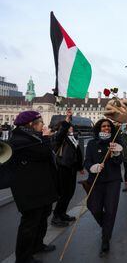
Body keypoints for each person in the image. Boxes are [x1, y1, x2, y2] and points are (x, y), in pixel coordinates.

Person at [8, 109, 72, 263]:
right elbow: (43, 152)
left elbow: (55, 142)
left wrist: (66, 123)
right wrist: (45, 137)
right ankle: (23, 258)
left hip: (42, 188)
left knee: (43, 218)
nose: (44, 125)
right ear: (31, 124)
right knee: (29, 224)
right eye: (41, 122)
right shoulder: (19, 139)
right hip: (29, 191)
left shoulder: (34, 137)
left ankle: (37, 245)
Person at [84, 118, 123, 257]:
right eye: (103, 126)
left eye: (108, 126)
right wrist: (92, 167)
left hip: (113, 180)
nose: (106, 128)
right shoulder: (91, 143)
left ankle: (105, 239)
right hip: (96, 180)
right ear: (99, 128)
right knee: (93, 207)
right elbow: (87, 161)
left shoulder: (116, 143)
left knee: (111, 210)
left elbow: (119, 162)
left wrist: (116, 153)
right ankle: (106, 227)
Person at [51, 123, 83, 227]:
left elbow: (77, 152)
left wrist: (80, 166)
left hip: (72, 167)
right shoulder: (60, 137)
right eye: (69, 126)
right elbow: (61, 133)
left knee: (70, 193)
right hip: (63, 168)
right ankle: (56, 216)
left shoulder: (72, 137)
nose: (72, 127)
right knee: (64, 193)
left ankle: (62, 213)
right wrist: (67, 121)